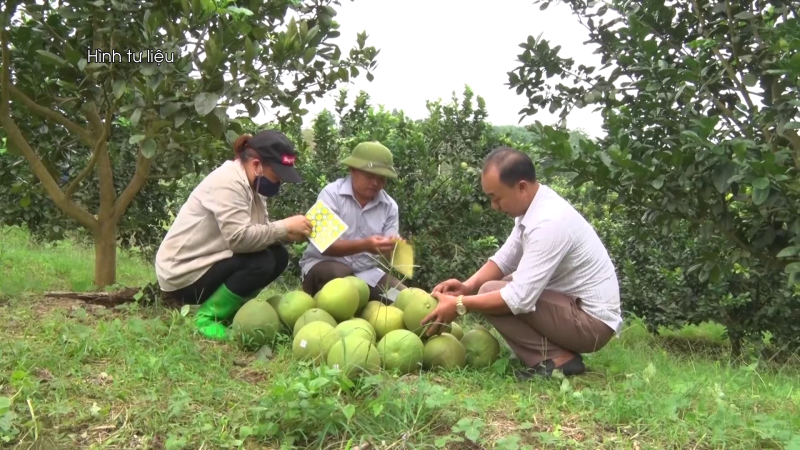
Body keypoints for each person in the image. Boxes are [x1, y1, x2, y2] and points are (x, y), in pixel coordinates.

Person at [423, 147, 622, 379]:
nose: (494, 206)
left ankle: (557, 359)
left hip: (592, 323)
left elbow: (519, 298)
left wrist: (460, 303)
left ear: (521, 187)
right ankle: (556, 354)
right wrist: (468, 286)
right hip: (574, 309)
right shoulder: (534, 207)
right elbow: (506, 258)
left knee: (494, 292)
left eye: (496, 198)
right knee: (494, 286)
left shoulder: (548, 223)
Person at [155, 130, 313, 340]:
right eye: (277, 176)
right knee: (262, 261)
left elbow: (260, 232)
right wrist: (284, 226)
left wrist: (288, 234)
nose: (279, 183)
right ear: (257, 165)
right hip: (183, 274)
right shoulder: (228, 182)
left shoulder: (253, 185)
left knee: (278, 255)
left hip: (209, 262)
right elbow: (240, 240)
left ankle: (235, 313)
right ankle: (206, 317)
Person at [299, 141, 407, 302]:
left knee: (401, 298)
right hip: (325, 265)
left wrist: (392, 248)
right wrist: (365, 245)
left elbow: (388, 256)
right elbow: (325, 246)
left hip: (367, 273)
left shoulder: (389, 207)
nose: (375, 183)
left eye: (381, 179)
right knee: (339, 278)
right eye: (370, 176)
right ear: (352, 170)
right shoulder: (331, 195)